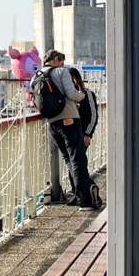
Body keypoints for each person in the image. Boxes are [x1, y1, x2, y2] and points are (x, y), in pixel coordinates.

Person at [42, 50, 97, 209]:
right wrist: (80, 96)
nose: (63, 66)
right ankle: (84, 200)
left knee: (68, 159)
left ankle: (77, 193)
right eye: (62, 62)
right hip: (69, 121)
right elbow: (72, 94)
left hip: (52, 124)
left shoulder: (37, 75)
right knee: (78, 160)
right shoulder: (61, 72)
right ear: (56, 59)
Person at [69, 68, 100, 149]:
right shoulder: (66, 95)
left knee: (79, 159)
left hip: (82, 134)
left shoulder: (88, 94)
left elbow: (93, 115)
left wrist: (88, 134)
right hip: (68, 134)